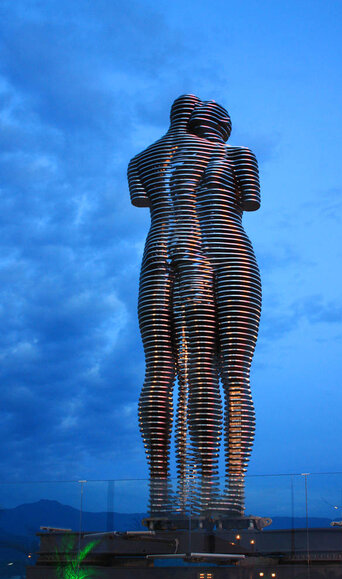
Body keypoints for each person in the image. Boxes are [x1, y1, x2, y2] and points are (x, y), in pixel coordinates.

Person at [128, 96, 261, 516]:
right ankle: (225, 495)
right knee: (231, 373)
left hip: (158, 257)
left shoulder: (139, 162)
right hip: (226, 255)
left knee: (160, 369)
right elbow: (251, 202)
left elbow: (143, 200)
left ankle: (162, 496)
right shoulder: (236, 155)